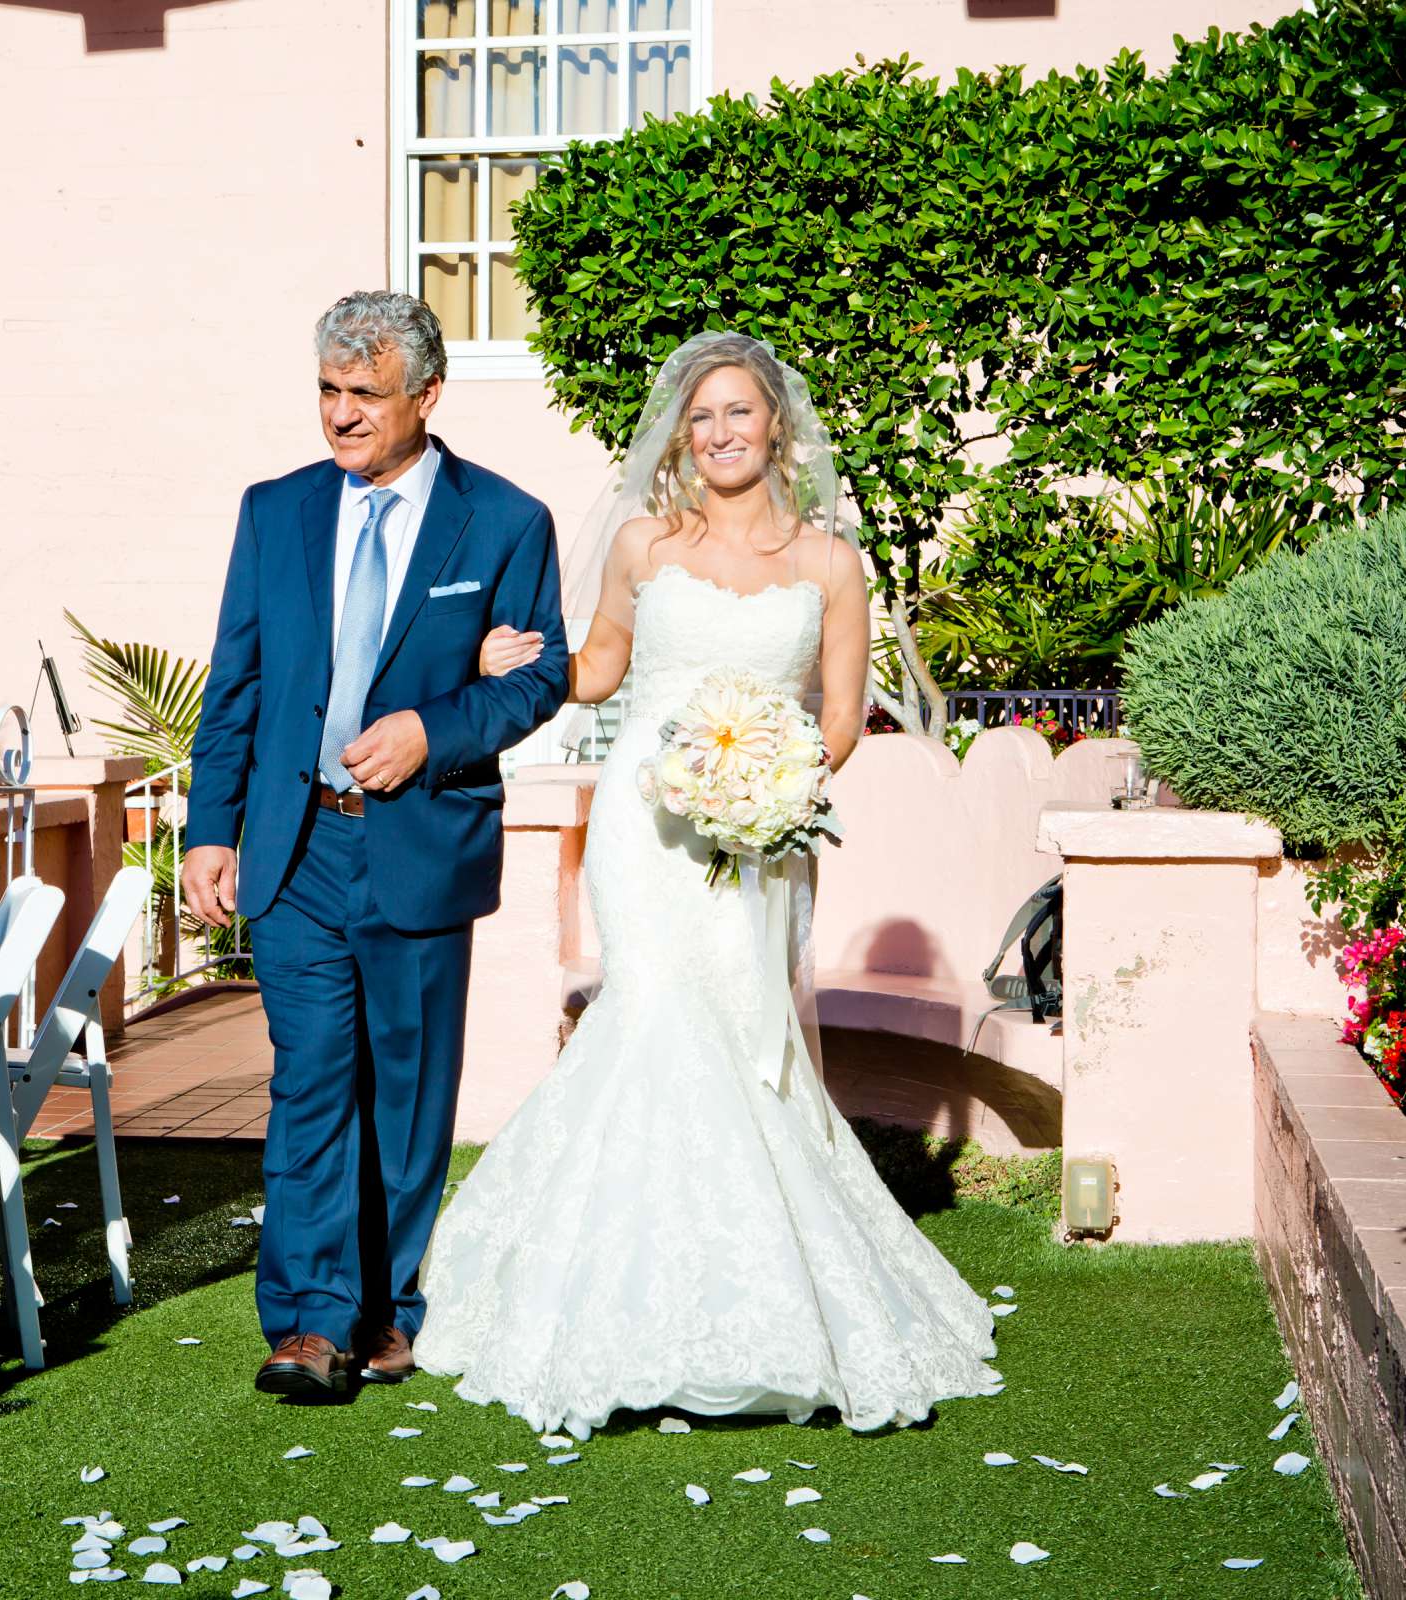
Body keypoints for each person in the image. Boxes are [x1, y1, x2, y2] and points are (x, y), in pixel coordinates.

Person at [413, 332, 1001, 1438]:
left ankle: (759, 1311)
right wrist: (518, 661)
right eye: (702, 417)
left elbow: (838, 717)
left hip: (759, 829)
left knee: (742, 1033)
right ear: (680, 435)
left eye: (740, 412)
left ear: (775, 422)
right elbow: (598, 669)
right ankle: (622, 1315)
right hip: (646, 822)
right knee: (657, 1015)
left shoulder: (830, 565)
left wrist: (773, 789)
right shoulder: (643, 544)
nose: (722, 431)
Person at [183, 291, 570, 1396]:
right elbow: (237, 684)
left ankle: (390, 1307)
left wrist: (433, 729)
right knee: (309, 1080)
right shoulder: (274, 512)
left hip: (419, 847)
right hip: (296, 849)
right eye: (327, 391)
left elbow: (542, 675)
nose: (341, 415)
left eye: (365, 393)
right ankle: (308, 1319)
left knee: (404, 1092)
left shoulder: (504, 521)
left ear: (427, 396)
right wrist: (212, 832)